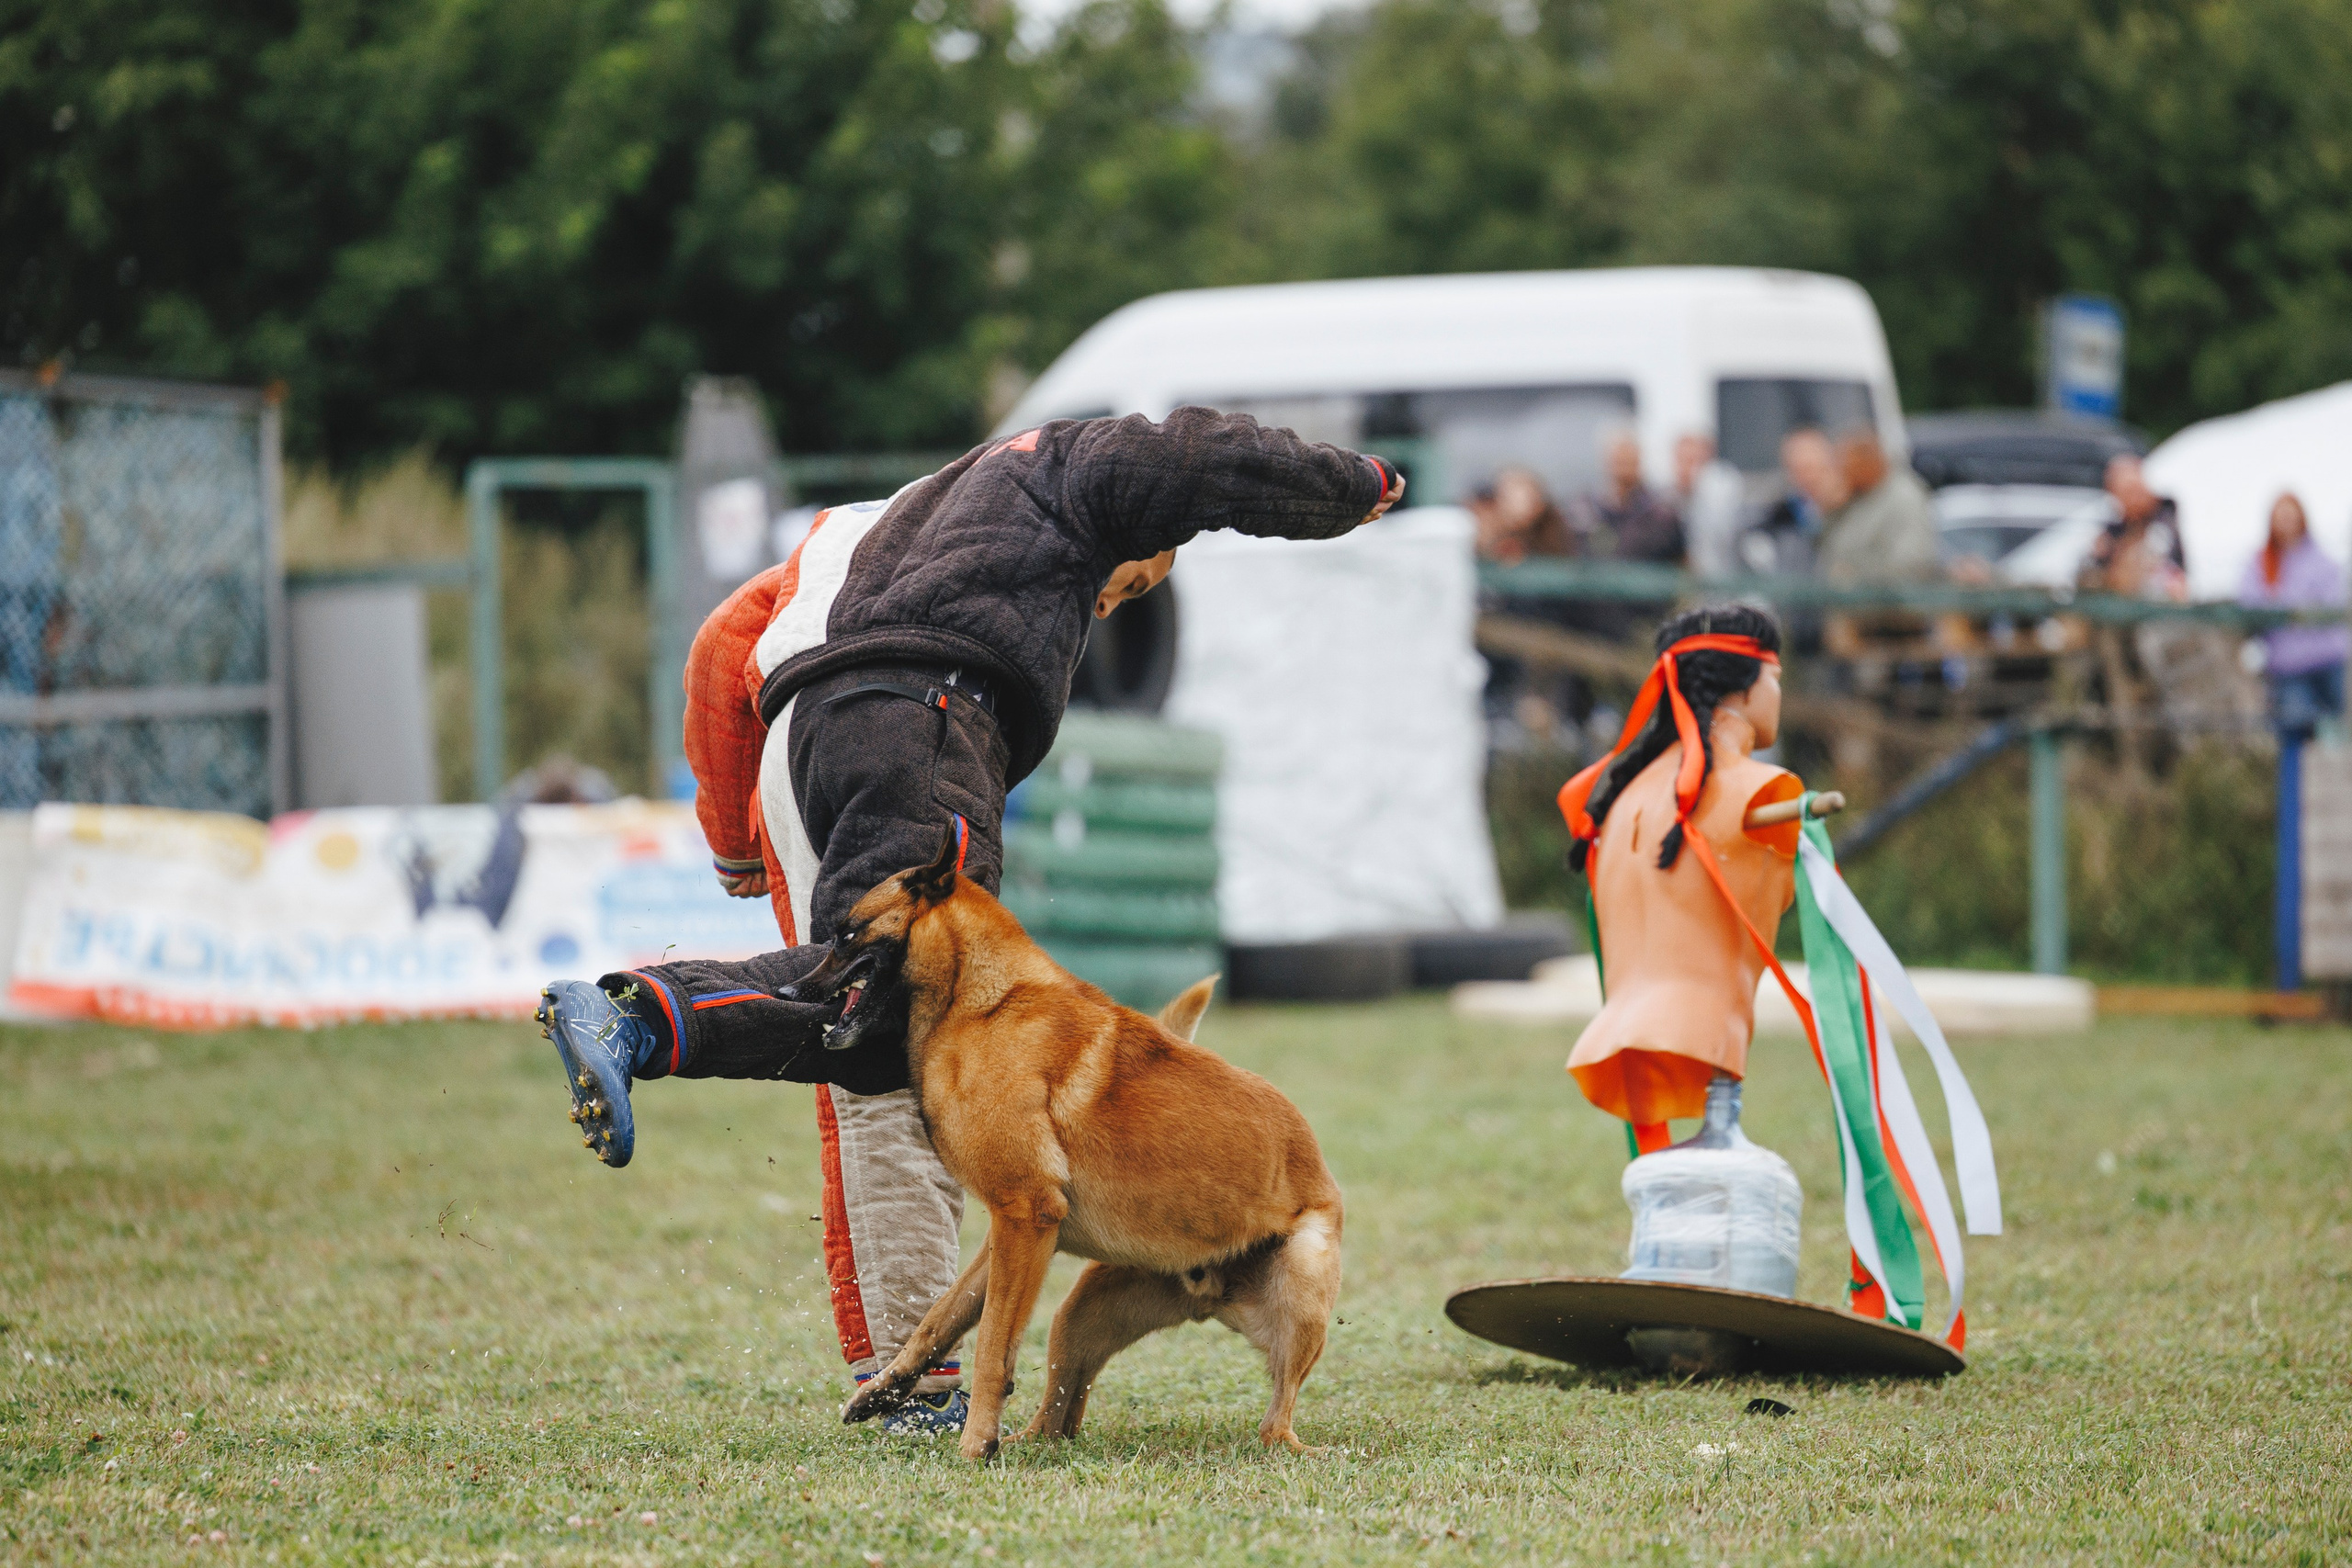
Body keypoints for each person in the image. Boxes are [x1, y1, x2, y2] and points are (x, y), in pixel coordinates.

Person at [532, 410, 1403, 1439]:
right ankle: (638, 1018)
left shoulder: (876, 521)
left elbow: (727, 640)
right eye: (1124, 583)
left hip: (801, 738)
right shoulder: (1083, 463)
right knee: (893, 1013)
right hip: (927, 718)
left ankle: (896, 1366)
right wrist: (1357, 487)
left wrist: (733, 834)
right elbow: (1204, 455)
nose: (1109, 602)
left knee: (862, 1039)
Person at [2238, 491, 2348, 739]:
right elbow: (2250, 603)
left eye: (2291, 516)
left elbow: (2332, 603)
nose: (2286, 523)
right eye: (2281, 517)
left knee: (2335, 736)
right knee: (2293, 732)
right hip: (2288, 668)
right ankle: (2291, 779)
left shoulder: (2322, 561)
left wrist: (2284, 605)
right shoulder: (2260, 563)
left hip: (2329, 663)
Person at [1815, 430, 1940, 585]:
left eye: (1846, 464)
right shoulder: (1854, 497)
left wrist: (1855, 574)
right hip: (1856, 604)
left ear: (1869, 460)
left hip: (1893, 605)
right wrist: (1831, 509)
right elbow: (1829, 552)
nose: (1842, 471)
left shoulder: (1903, 496)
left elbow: (1911, 563)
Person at [1568, 427, 1685, 567]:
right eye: (1618, 460)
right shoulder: (1584, 509)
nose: (1622, 467)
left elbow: (1680, 561)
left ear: (1639, 460)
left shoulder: (1662, 515)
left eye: (1627, 460)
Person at [2082, 454, 2188, 600]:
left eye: (2136, 491)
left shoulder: (2167, 523)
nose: (2134, 499)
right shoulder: (2114, 530)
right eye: (2126, 493)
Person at [1673, 432, 1747, 580]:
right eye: (1681, 461)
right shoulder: (1675, 498)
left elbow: (1723, 536)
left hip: (1728, 582)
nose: (1684, 469)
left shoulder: (1721, 486)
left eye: (1691, 461)